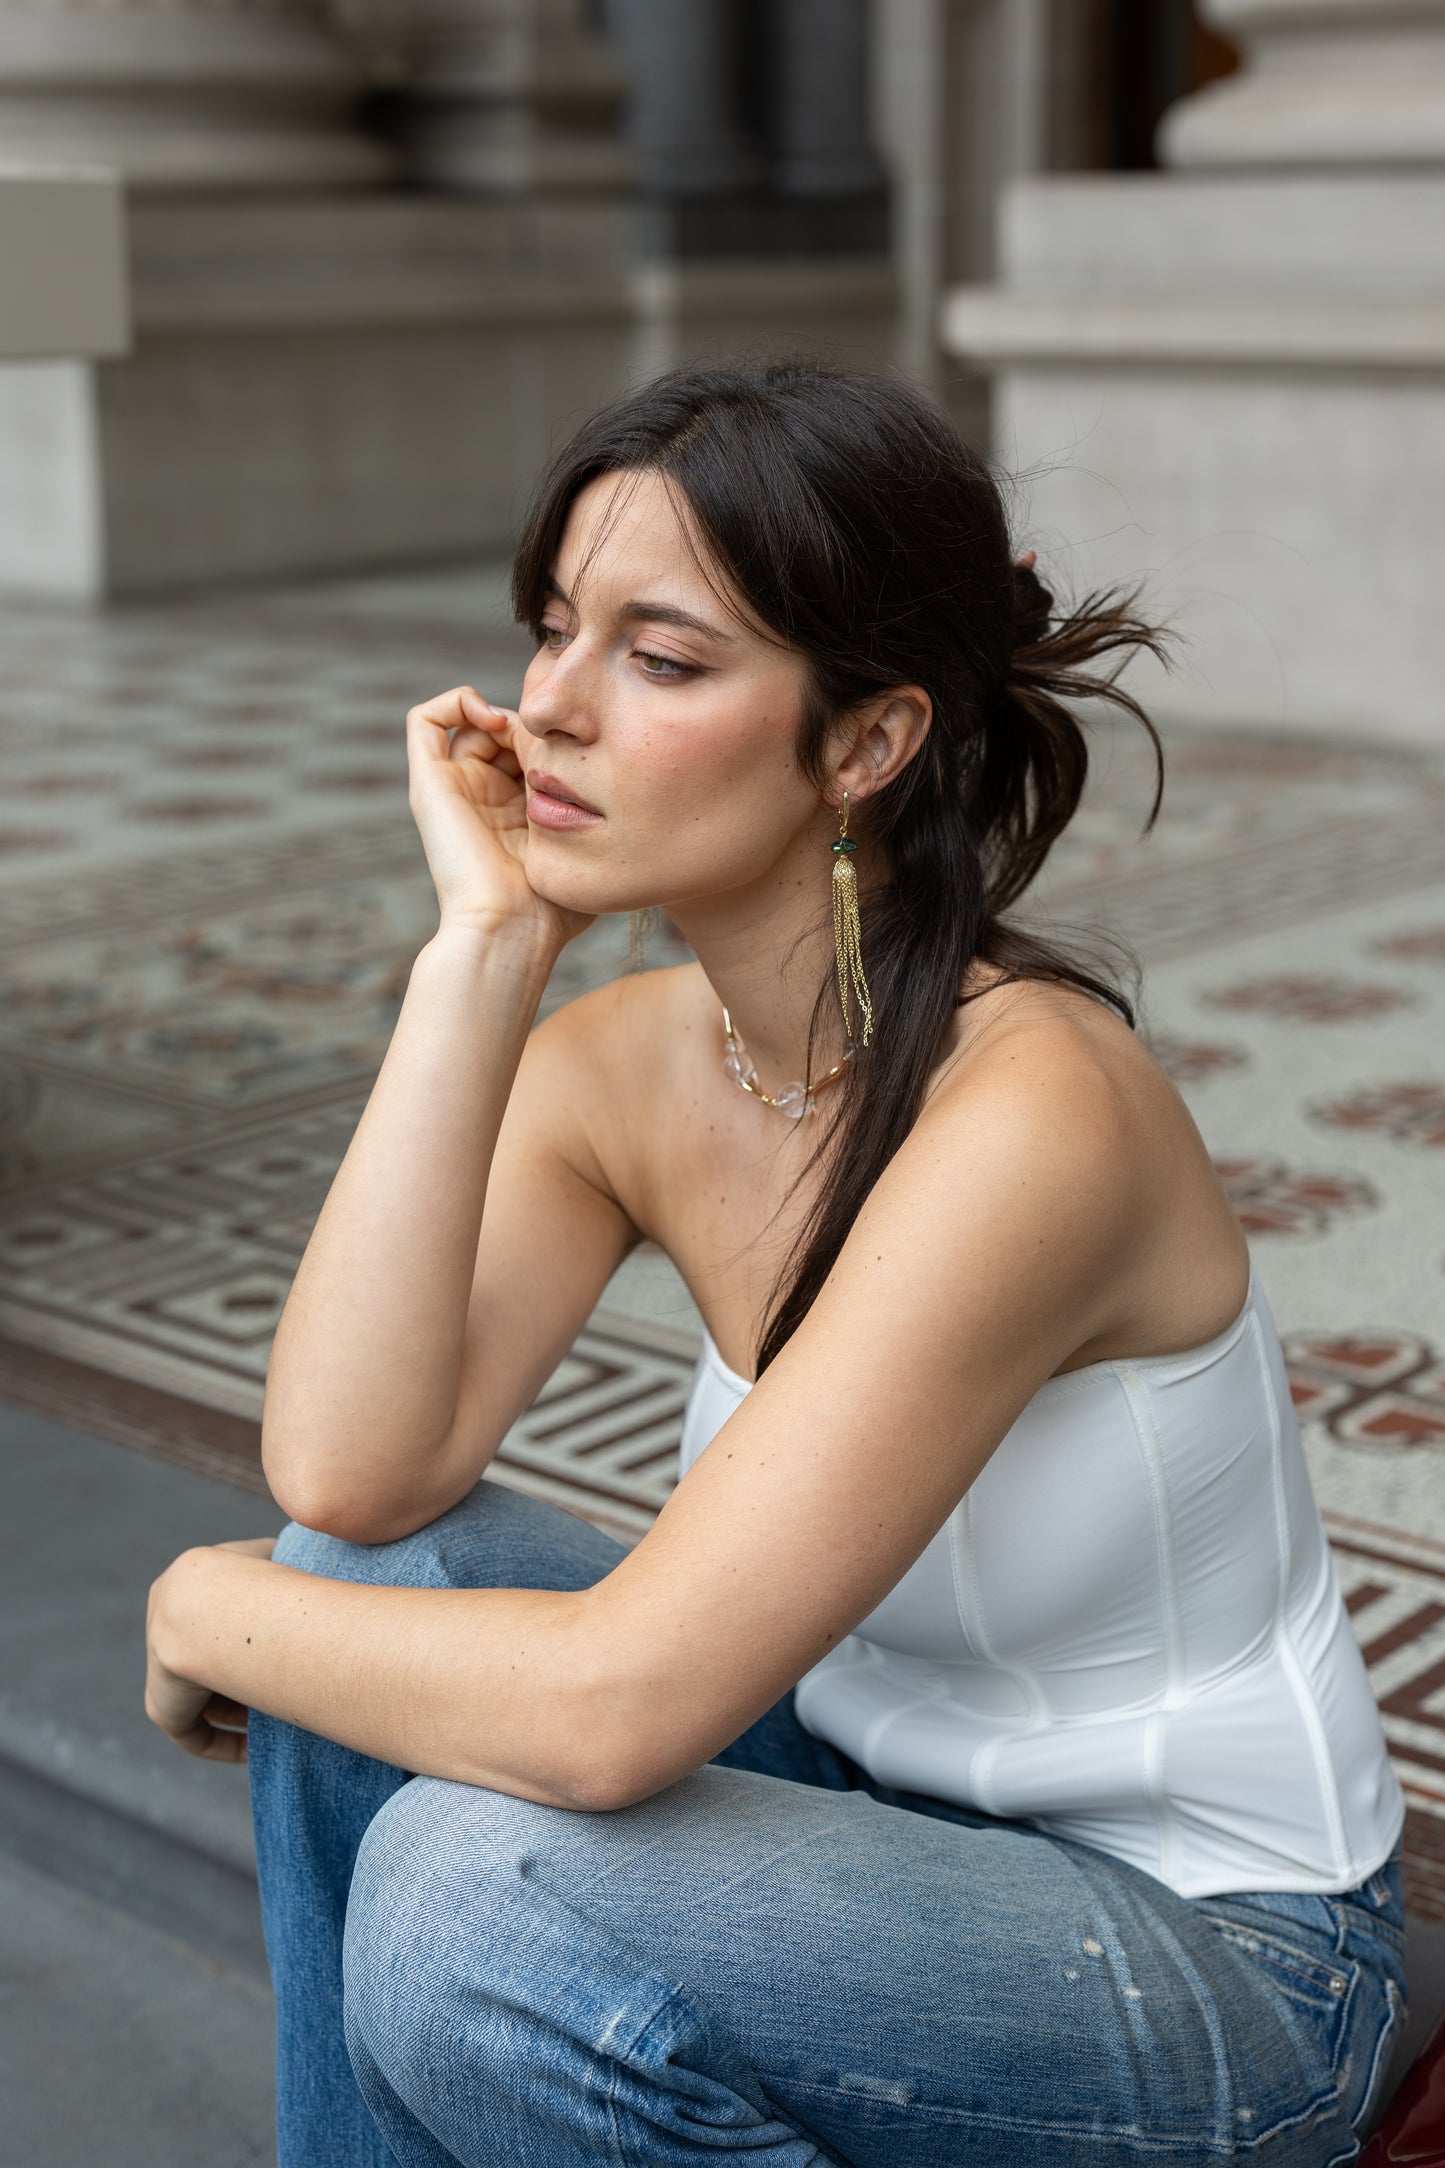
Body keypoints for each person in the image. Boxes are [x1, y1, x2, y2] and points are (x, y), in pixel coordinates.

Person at [144, 361, 1406, 2168]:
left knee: (476, 1897)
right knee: (371, 1572)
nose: (548, 706)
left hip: (1218, 1954)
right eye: (552, 630)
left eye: (659, 660)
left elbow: (614, 1714)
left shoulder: (1035, 1112)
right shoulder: (630, 1061)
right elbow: (352, 1472)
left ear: (863, 743)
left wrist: (206, 1611)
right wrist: (481, 952)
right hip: (864, 1819)